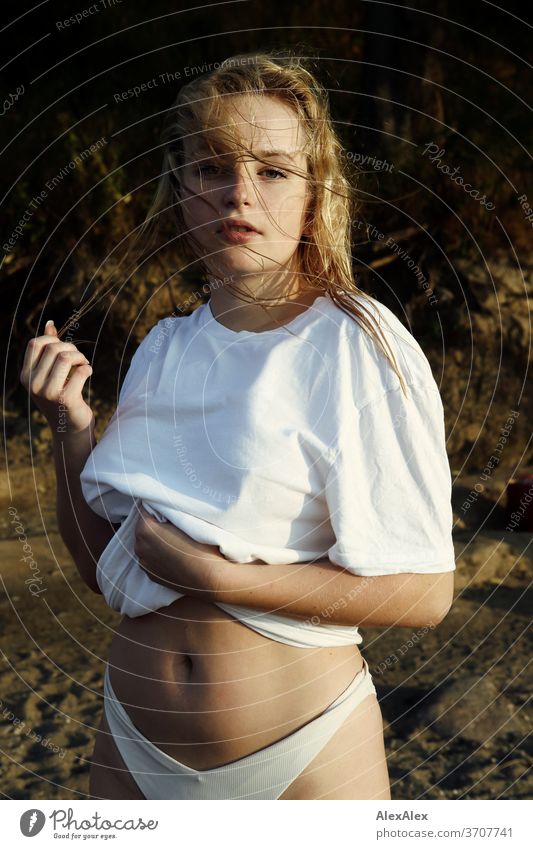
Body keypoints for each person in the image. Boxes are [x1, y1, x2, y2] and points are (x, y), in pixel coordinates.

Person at [20, 52, 455, 800]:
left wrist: (220, 577)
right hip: (131, 741)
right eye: (212, 167)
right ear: (179, 187)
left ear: (316, 193)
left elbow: (426, 593)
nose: (239, 194)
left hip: (304, 750)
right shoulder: (164, 346)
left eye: (273, 170)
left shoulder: (357, 340)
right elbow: (106, 569)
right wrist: (73, 430)